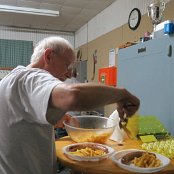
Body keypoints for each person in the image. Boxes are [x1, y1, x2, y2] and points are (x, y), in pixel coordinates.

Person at [0, 36, 140, 174]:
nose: (68, 74)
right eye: (66, 65)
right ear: (48, 56)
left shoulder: (9, 79)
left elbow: (20, 122)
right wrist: (121, 94)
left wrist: (57, 120)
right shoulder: (31, 78)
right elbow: (72, 96)